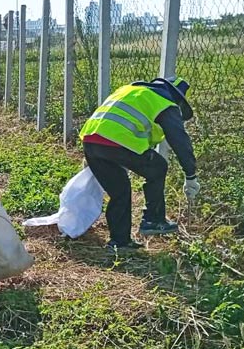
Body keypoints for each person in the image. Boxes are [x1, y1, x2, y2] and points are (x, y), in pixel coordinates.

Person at [79, 75, 200, 252]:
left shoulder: (129, 90)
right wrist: (191, 175)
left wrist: (93, 153)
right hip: (116, 142)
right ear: (176, 97)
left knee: (120, 189)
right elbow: (180, 141)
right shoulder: (164, 102)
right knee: (158, 167)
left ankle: (119, 242)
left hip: (90, 140)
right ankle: (153, 219)